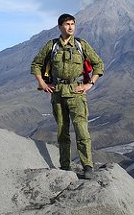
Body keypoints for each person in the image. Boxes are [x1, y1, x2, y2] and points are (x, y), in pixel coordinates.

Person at [31, 13, 104, 179]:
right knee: (62, 132)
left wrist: (90, 84)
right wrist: (42, 83)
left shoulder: (81, 45)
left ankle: (87, 167)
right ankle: (65, 166)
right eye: (67, 24)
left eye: (72, 24)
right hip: (57, 93)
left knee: (82, 131)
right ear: (59, 27)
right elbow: (36, 64)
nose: (70, 27)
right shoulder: (52, 46)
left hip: (76, 93)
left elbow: (98, 64)